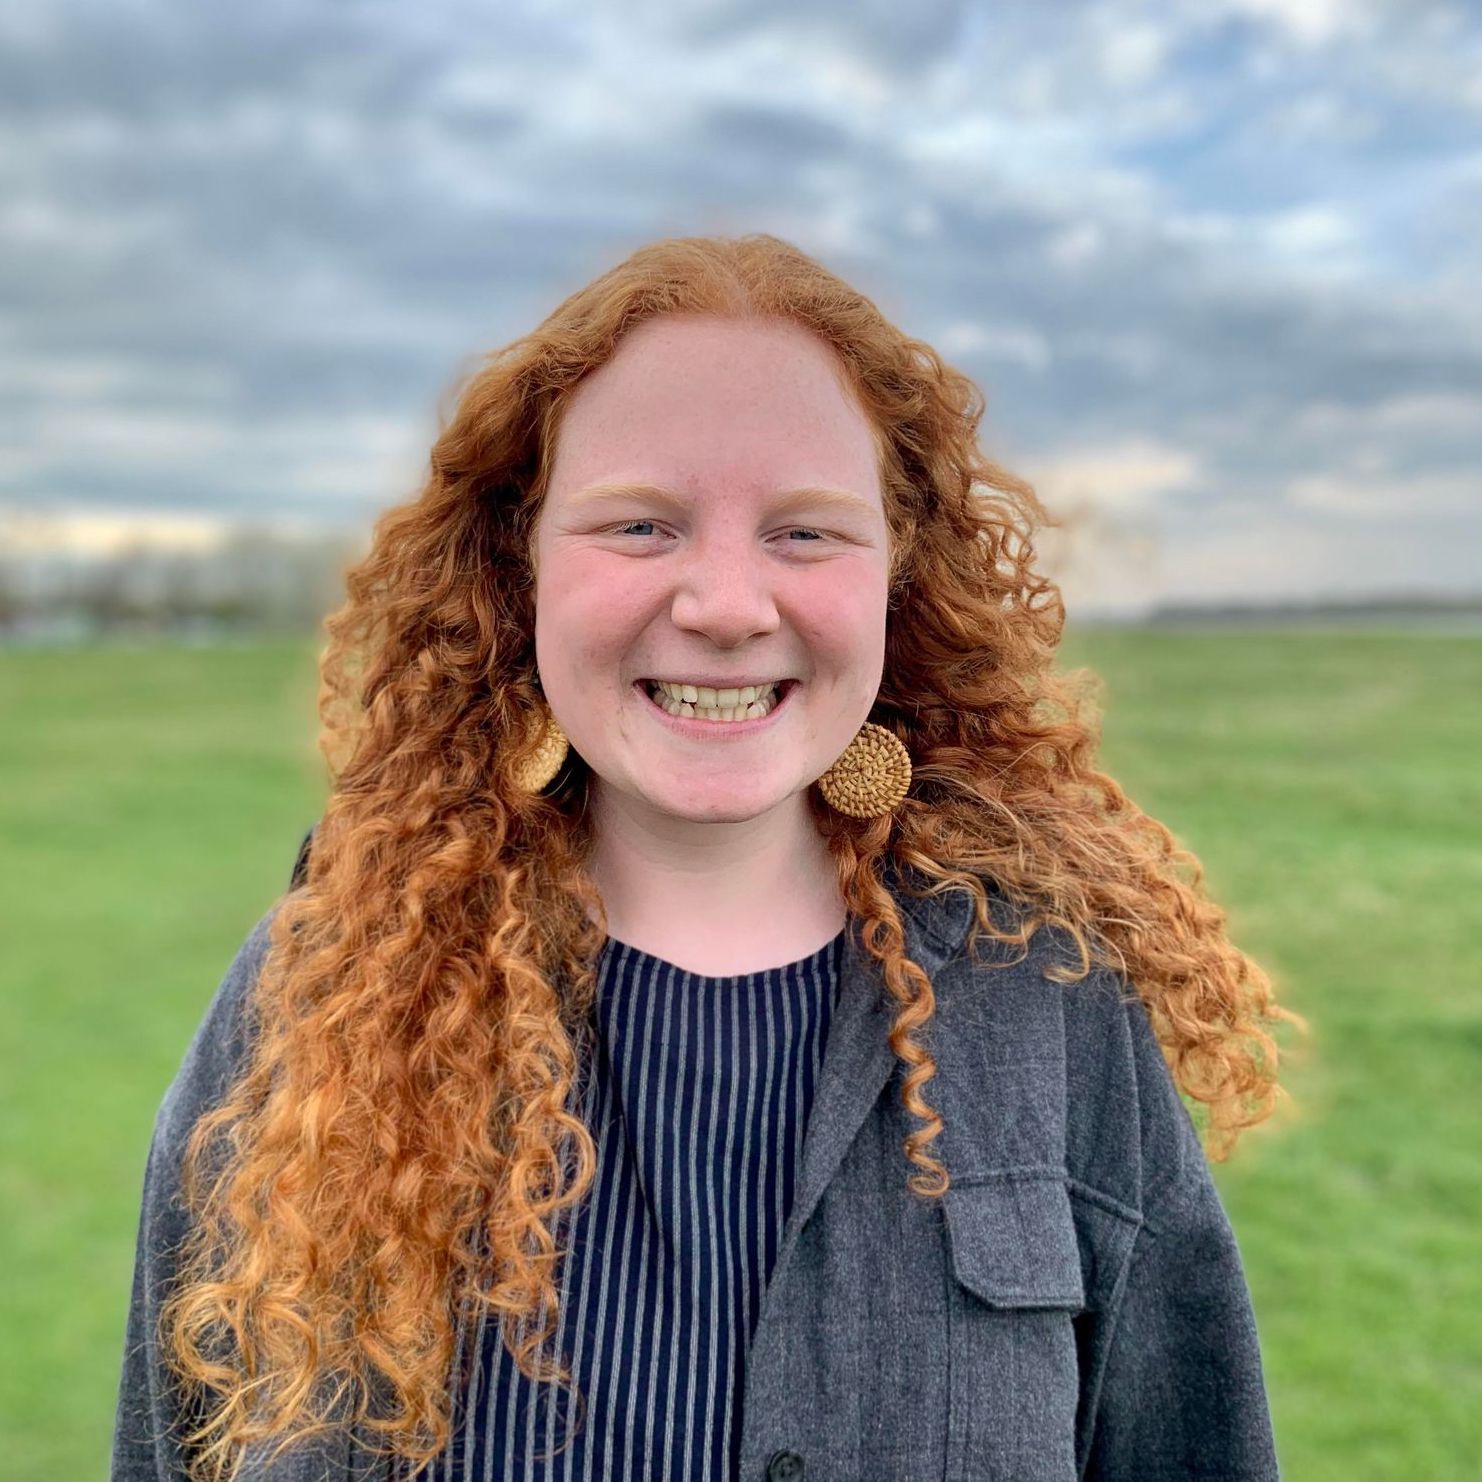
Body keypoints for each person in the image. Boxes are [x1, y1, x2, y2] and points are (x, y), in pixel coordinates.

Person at [111, 233, 1302, 1482]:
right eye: (640, 525)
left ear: (898, 578)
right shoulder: (315, 998)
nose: (727, 604)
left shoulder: (1052, 1007)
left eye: (805, 533)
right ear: (523, 570)